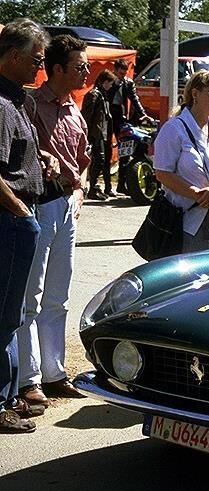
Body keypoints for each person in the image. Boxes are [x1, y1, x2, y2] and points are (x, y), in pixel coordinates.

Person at [16, 33, 91, 407]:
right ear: (57, 68)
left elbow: (84, 160)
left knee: (58, 295)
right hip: (39, 204)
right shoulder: (30, 104)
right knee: (31, 295)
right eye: (80, 66)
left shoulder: (75, 109)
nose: (86, 72)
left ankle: (54, 372)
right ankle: (28, 379)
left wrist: (80, 190)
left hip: (65, 206)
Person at [0, 19, 55, 432]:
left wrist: (41, 161)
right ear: (13, 57)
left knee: (13, 313)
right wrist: (20, 209)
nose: (41, 67)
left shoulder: (17, 100)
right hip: (10, 221)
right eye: (36, 60)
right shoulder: (2, 105)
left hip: (19, 218)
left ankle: (9, 395)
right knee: (5, 315)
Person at [153, 70, 209, 253]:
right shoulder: (173, 129)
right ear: (195, 94)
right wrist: (197, 194)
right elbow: (162, 173)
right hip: (183, 222)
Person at [108, 58, 151, 195]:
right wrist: (115, 84)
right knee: (105, 151)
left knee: (125, 151)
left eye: (124, 74)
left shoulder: (128, 82)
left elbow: (134, 99)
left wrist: (143, 114)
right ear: (115, 70)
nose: (122, 76)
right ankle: (106, 186)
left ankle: (121, 184)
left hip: (121, 117)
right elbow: (106, 96)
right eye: (120, 73)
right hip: (108, 116)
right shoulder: (109, 80)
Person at [81, 68, 116, 201]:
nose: (110, 86)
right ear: (104, 81)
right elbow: (87, 115)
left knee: (103, 160)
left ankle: (97, 187)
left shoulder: (102, 94)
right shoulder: (94, 94)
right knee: (99, 160)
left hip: (103, 132)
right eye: (109, 83)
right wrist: (88, 134)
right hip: (96, 133)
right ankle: (93, 188)